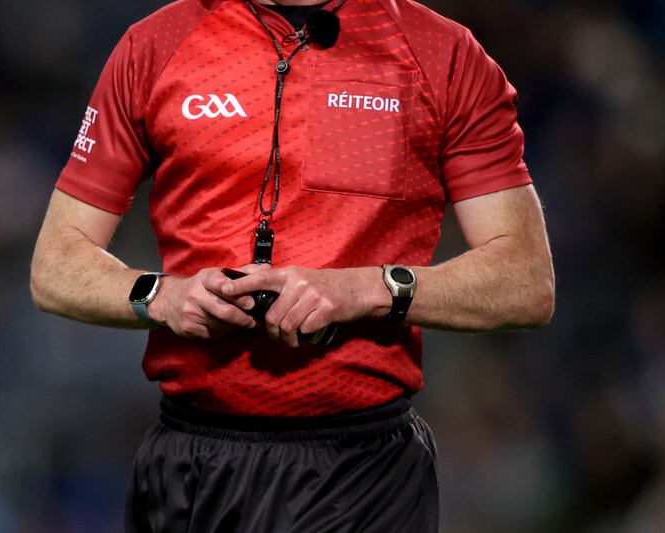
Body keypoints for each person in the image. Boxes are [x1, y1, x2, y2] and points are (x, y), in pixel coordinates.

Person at [30, 0, 555, 530]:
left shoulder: (442, 55)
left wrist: (363, 290)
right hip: (186, 467)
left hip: (361, 476)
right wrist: (163, 296)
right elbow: (55, 267)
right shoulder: (155, 45)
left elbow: (525, 280)